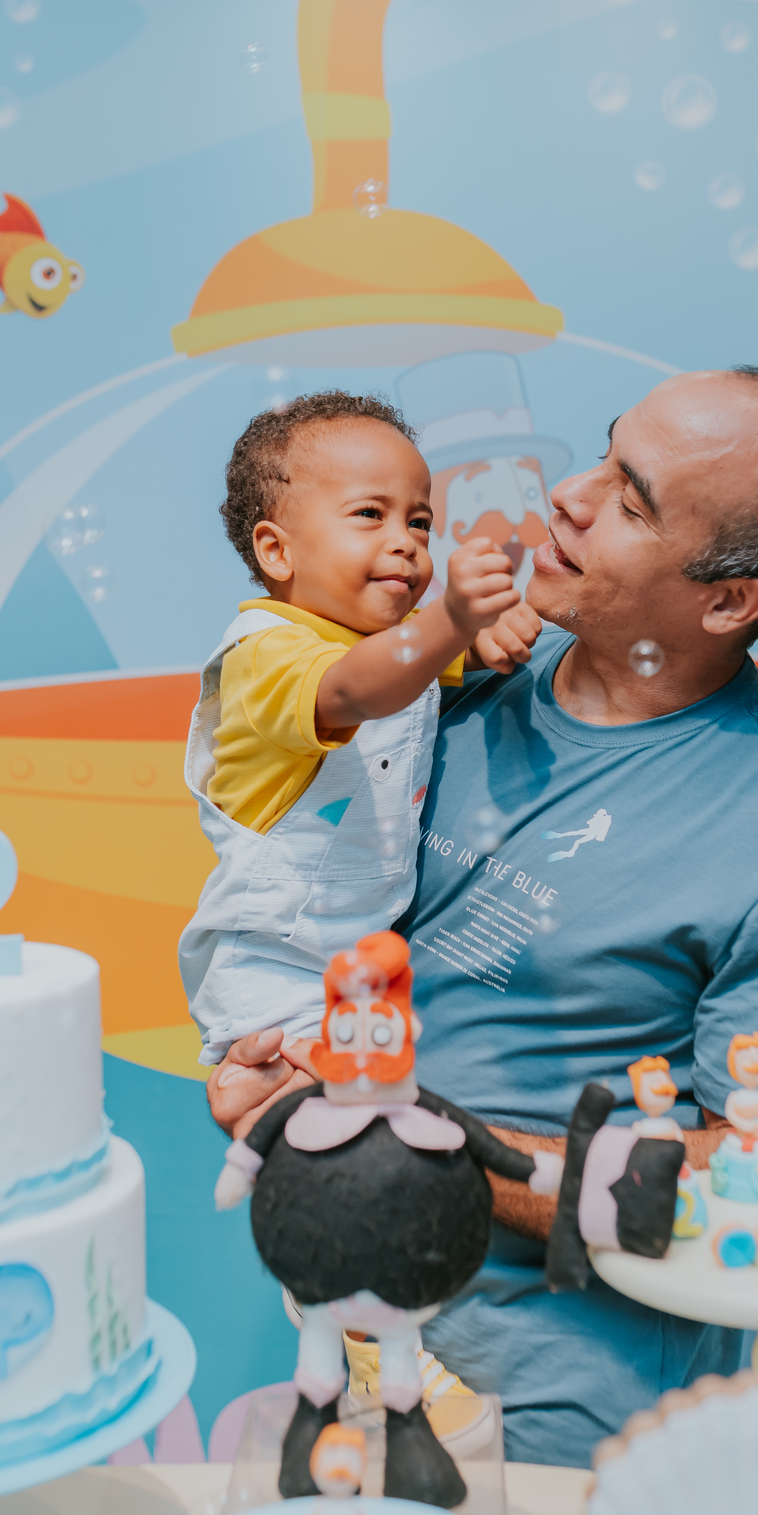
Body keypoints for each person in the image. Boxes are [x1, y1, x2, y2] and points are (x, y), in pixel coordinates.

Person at [207, 365, 758, 1467]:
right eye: (606, 453)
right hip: (344, 1346)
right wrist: (282, 1101)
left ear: (729, 601)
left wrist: (411, 1148)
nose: (569, 494)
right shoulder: (441, 695)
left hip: (560, 1421)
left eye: (633, 499)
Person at [181, 387, 537, 1067]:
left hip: (363, 953)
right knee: (313, 1121)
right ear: (277, 553)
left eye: (421, 522)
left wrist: (493, 632)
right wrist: (451, 621)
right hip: (271, 960)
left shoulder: (406, 638)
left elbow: (434, 657)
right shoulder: (264, 652)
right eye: (370, 515)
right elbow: (353, 687)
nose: (405, 541)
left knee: (376, 1110)